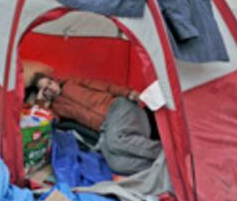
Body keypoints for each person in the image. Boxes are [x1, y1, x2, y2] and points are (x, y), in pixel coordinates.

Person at [26, 72, 161, 175]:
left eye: (49, 83)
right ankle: (160, 166)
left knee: (115, 142)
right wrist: (40, 102)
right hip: (107, 128)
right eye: (44, 89)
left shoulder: (72, 82)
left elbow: (107, 87)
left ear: (54, 80)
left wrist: (129, 93)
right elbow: (44, 122)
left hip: (119, 107)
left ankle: (164, 153)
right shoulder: (55, 109)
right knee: (116, 164)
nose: (50, 88)